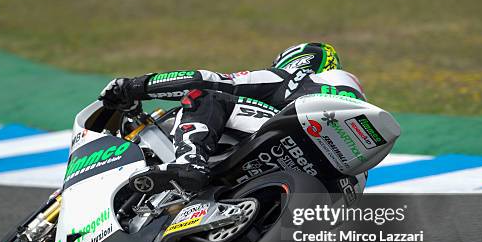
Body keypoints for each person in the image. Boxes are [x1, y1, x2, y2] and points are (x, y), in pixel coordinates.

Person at [100, 42, 366, 194]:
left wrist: (134, 86)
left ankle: (190, 163)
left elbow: (207, 80)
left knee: (205, 95)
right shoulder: (352, 109)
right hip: (337, 184)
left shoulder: (294, 78)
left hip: (289, 136)